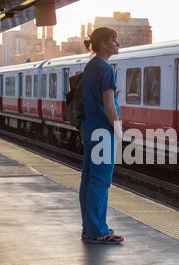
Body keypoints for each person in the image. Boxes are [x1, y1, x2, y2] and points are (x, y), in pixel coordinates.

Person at [79, 27, 124, 244]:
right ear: (104, 43)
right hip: (103, 132)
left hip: (88, 129)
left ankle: (89, 227)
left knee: (88, 180)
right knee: (100, 182)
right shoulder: (106, 69)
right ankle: (98, 231)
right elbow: (108, 107)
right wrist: (118, 130)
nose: (118, 44)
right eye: (114, 40)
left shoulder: (90, 67)